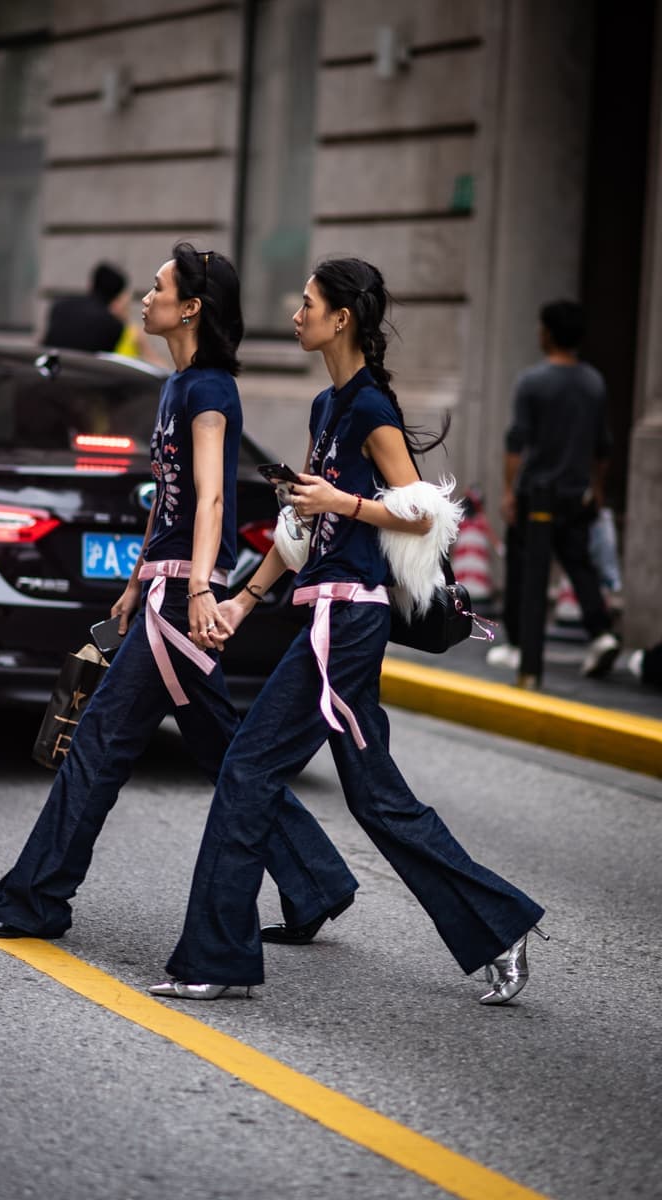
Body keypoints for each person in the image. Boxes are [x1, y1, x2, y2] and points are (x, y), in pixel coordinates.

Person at [149, 257, 547, 1007]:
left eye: (307, 304)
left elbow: (425, 513)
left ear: (341, 320)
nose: (294, 313)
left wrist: (347, 501)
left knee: (247, 771)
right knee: (375, 798)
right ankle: (500, 926)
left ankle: (217, 958)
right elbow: (303, 521)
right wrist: (242, 599)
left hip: (351, 622)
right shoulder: (326, 407)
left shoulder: (369, 409)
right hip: (325, 615)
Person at [0, 243, 357, 942]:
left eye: (159, 287)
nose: (145, 297)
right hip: (164, 588)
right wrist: (136, 580)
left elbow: (207, 502)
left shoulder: (209, 390)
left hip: (184, 597)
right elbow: (164, 500)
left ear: (191, 308)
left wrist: (199, 588)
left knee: (100, 743)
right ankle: (316, 880)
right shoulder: (174, 385)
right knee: (222, 748)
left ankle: (36, 899)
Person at [486, 300, 619, 679]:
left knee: (524, 569)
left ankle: (517, 645)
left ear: (547, 333)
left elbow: (516, 443)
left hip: (537, 494)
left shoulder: (533, 381)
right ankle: (601, 632)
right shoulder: (594, 382)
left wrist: (510, 492)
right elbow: (603, 448)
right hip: (576, 493)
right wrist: (596, 488)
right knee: (580, 565)